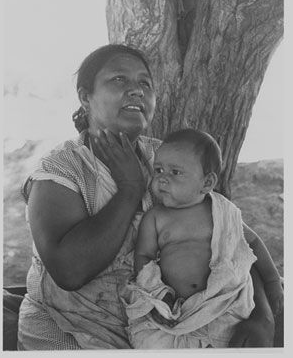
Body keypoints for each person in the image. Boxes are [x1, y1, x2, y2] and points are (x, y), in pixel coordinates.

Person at [16, 44, 275, 350]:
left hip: (170, 327)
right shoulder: (61, 170)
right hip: (73, 330)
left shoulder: (167, 159)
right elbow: (70, 272)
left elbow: (230, 239)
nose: (136, 91)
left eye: (145, 83)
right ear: (86, 97)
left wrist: (262, 316)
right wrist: (129, 187)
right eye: (119, 80)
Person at [121, 128, 283, 349]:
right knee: (153, 341)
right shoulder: (156, 218)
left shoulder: (222, 211)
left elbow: (251, 243)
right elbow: (144, 257)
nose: (162, 179)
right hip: (174, 308)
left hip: (223, 303)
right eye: (158, 170)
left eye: (175, 172)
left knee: (235, 341)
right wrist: (158, 296)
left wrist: (273, 281)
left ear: (207, 183)